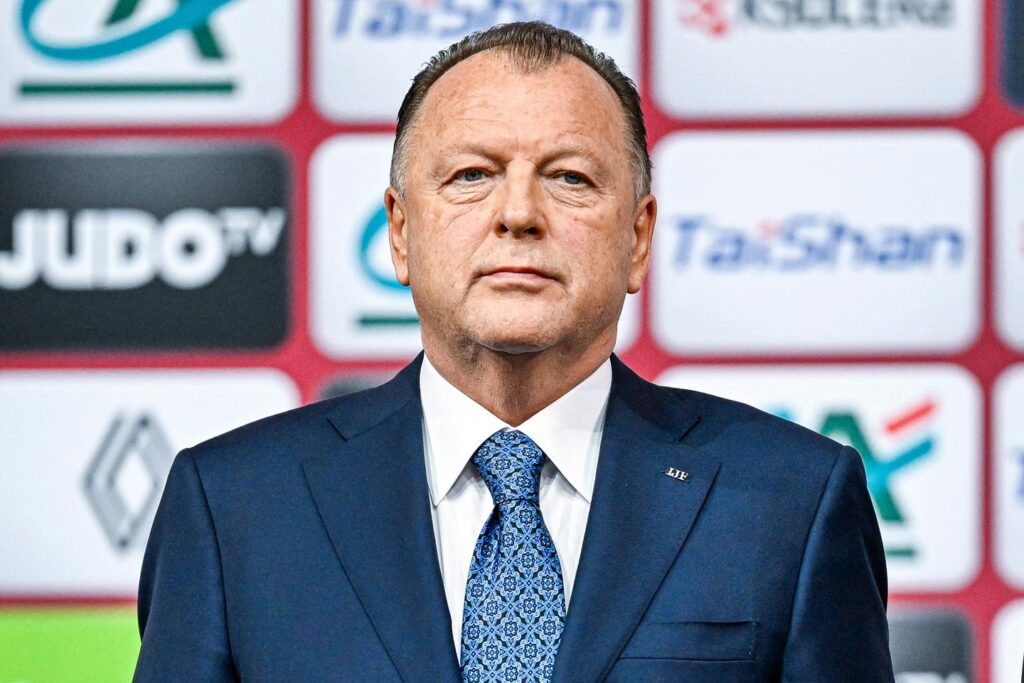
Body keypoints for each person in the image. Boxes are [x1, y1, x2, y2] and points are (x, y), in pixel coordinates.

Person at [134, 21, 894, 682]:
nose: (520, 213)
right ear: (400, 233)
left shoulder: (792, 501)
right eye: (472, 175)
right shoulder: (232, 506)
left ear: (637, 238)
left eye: (569, 178)